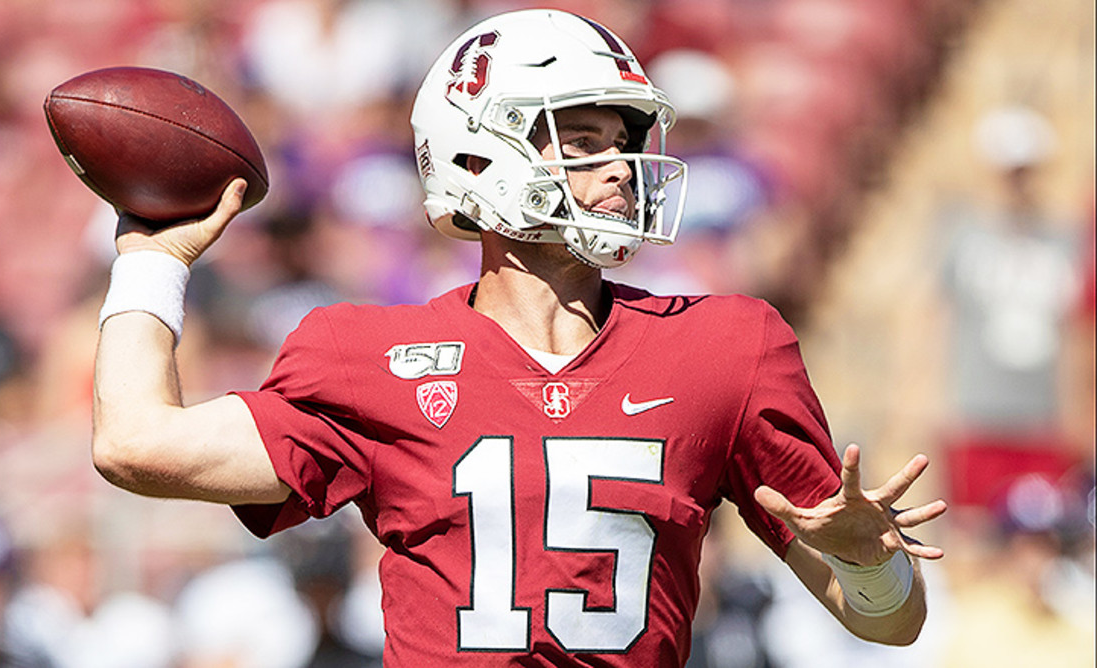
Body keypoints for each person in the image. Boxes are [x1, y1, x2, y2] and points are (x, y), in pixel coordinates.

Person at [89, 10, 946, 667]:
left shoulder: (727, 344)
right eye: (580, 142)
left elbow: (891, 623)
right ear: (475, 157)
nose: (618, 168)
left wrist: (870, 562)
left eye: (621, 142)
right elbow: (135, 444)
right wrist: (152, 259)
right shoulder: (361, 355)